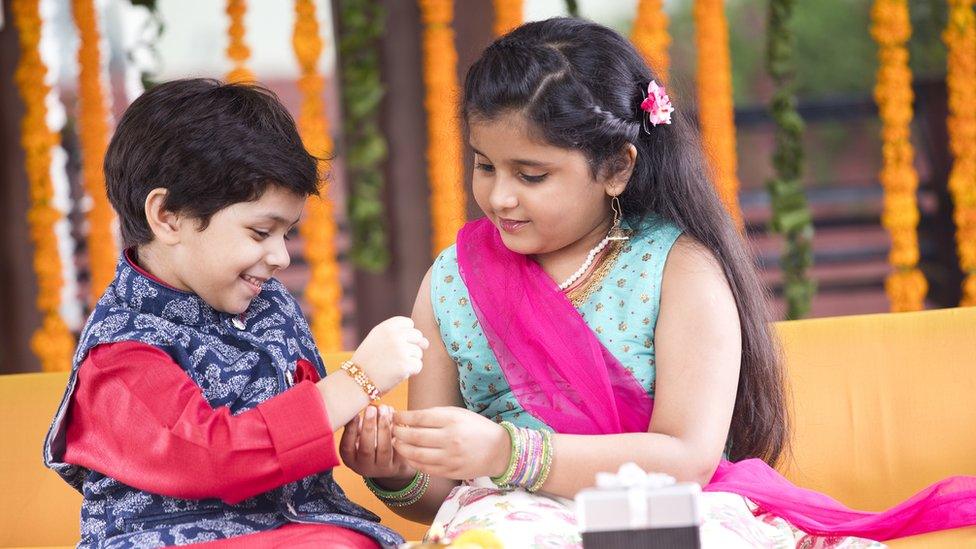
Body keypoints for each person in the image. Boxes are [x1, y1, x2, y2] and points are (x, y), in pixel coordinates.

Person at [340, 18, 976, 548]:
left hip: (661, 513)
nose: (498, 197)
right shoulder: (452, 283)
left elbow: (686, 457)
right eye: (484, 166)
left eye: (530, 175)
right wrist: (395, 475)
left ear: (616, 167)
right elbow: (444, 493)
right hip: (508, 524)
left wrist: (506, 451)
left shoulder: (678, 269)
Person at [44, 78, 427, 548]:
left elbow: (304, 442)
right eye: (260, 231)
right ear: (167, 218)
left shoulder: (270, 305)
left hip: (308, 529)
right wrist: (355, 381)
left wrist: (378, 461)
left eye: (287, 233)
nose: (282, 256)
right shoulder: (120, 352)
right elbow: (209, 458)